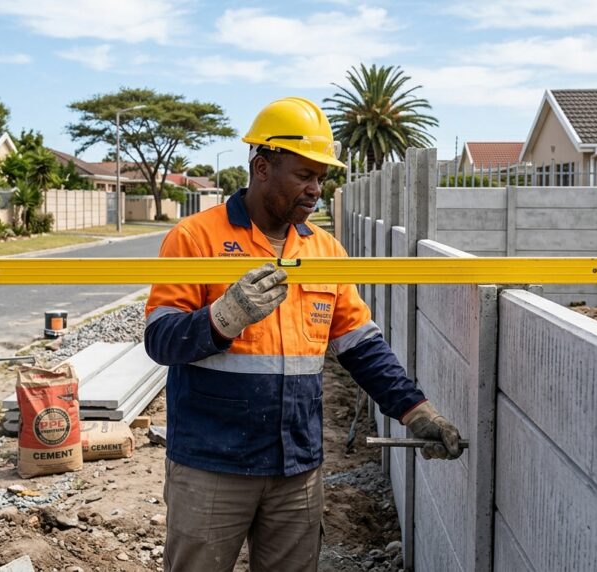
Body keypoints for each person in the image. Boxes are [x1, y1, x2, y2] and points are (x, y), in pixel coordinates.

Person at [144, 96, 462, 572]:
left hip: (297, 468)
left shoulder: (326, 251)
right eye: (304, 175)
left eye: (321, 177)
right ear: (261, 167)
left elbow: (361, 345)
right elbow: (160, 339)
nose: (315, 189)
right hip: (212, 465)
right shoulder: (195, 239)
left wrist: (415, 411)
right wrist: (224, 317)